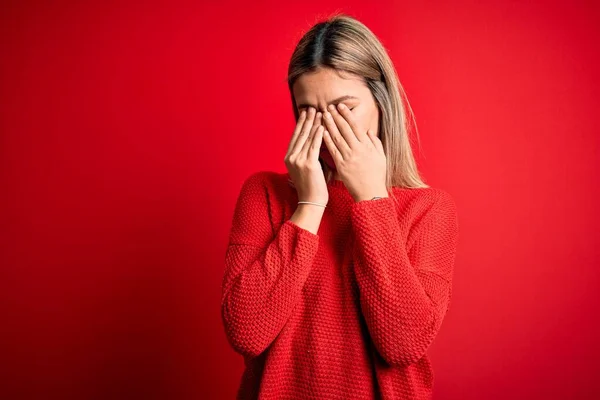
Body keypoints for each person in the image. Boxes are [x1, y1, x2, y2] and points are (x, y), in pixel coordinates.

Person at [221, 13, 459, 400]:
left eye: (344, 108)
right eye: (309, 113)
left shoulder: (428, 209)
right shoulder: (263, 194)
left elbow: (403, 343)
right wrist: (310, 203)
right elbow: (246, 332)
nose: (327, 130)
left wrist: (371, 200)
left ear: (381, 103)